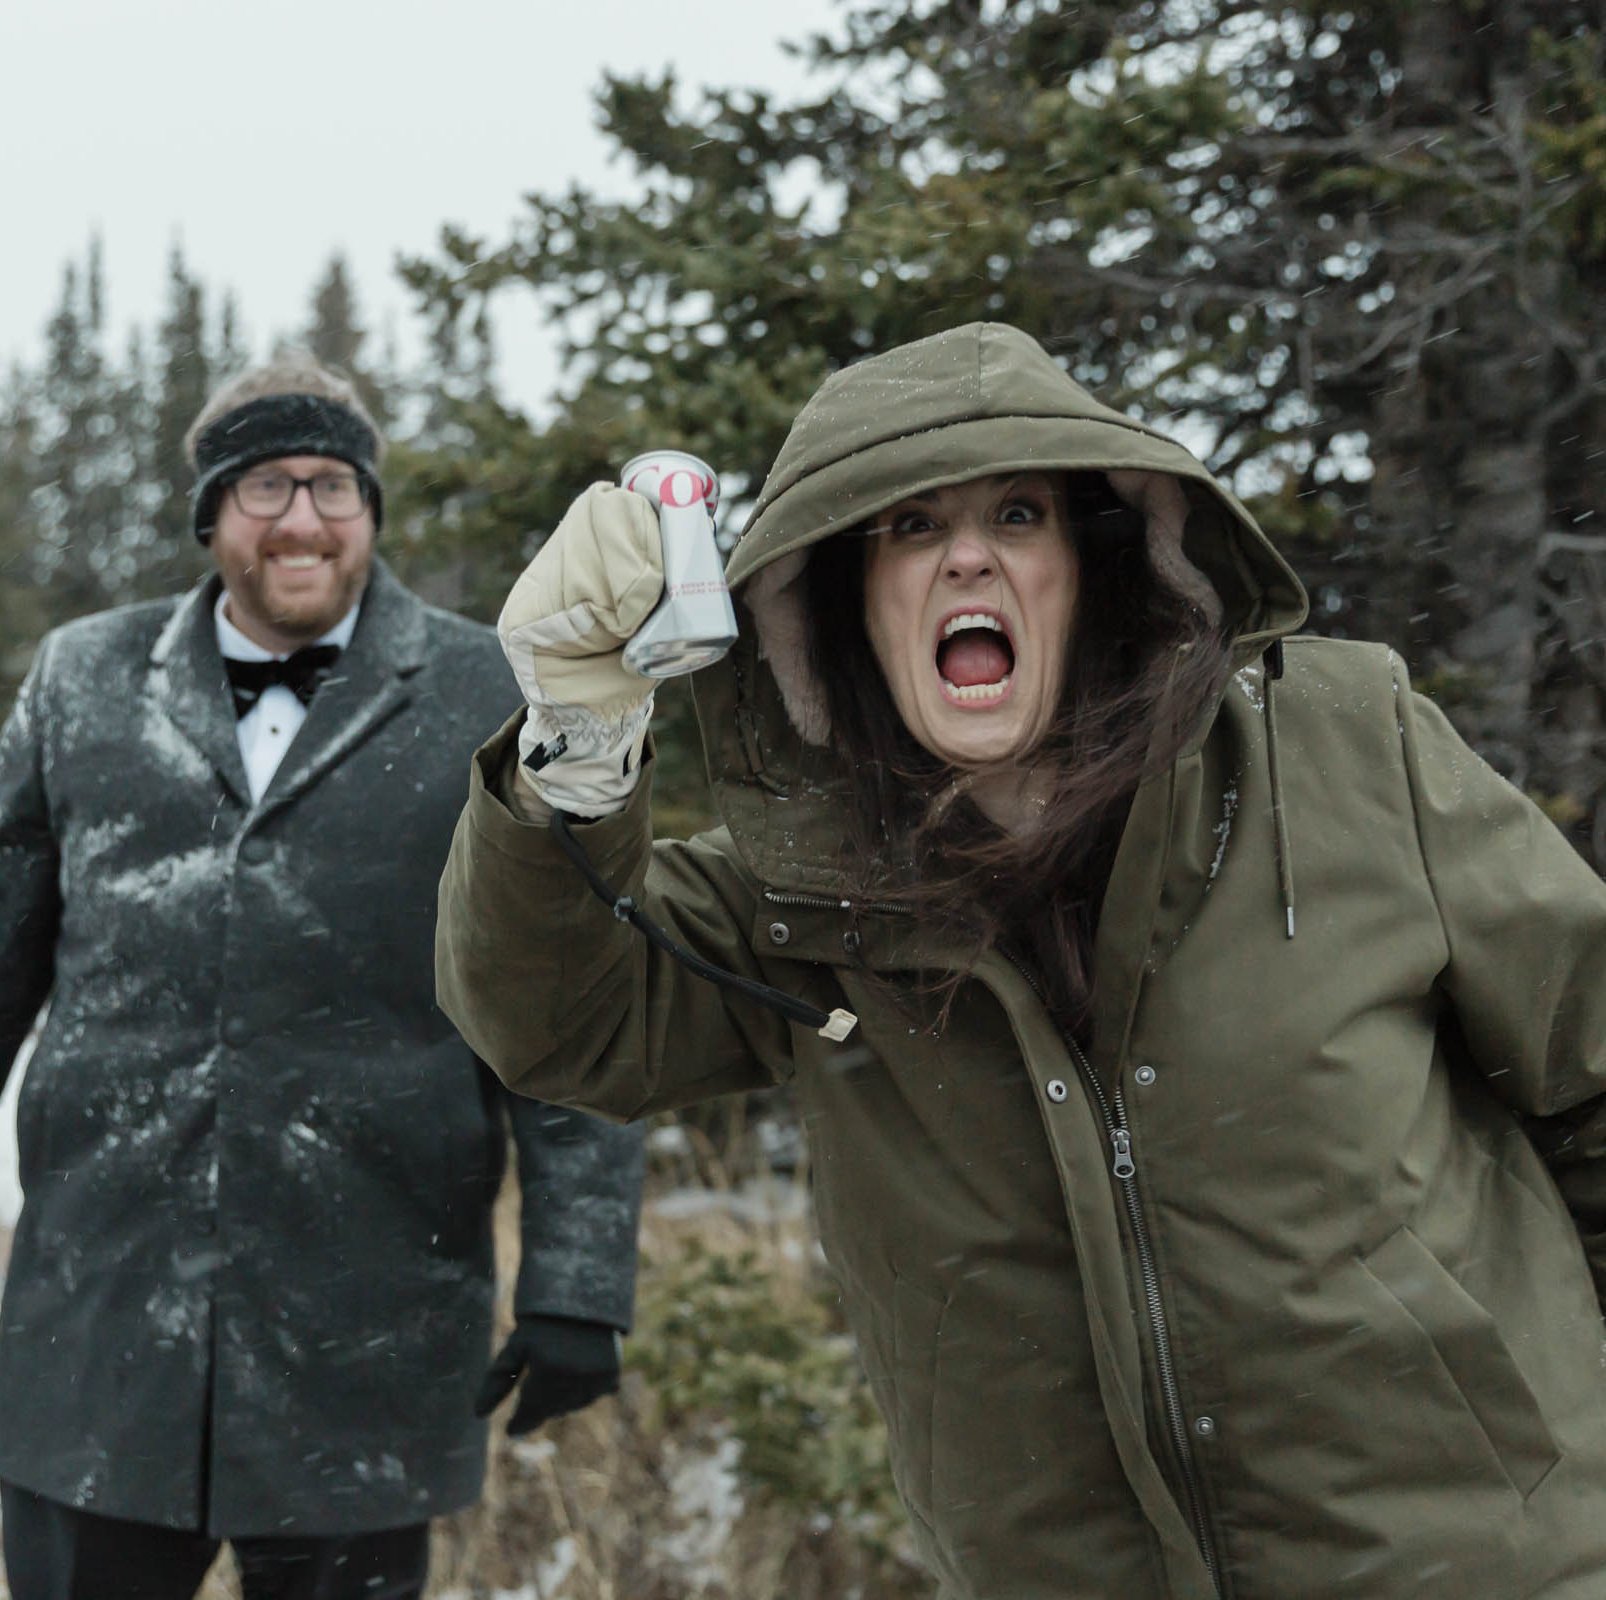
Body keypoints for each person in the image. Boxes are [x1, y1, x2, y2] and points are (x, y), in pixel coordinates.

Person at [434, 321, 1606, 1598]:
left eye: (1017, 512)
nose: (969, 556)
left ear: (1096, 562)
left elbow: (1588, 1064)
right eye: (910, 528)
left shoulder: (1338, 747)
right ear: (837, 599)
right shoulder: (794, 902)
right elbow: (554, 1021)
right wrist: (575, 736)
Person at [0, 352, 646, 1600]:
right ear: (210, 517)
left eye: (331, 485)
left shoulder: (488, 691)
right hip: (100, 1336)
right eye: (262, 485)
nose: (300, 517)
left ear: (369, 511)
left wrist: (579, 1280)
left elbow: (564, 989)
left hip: (367, 1333)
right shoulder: (79, 681)